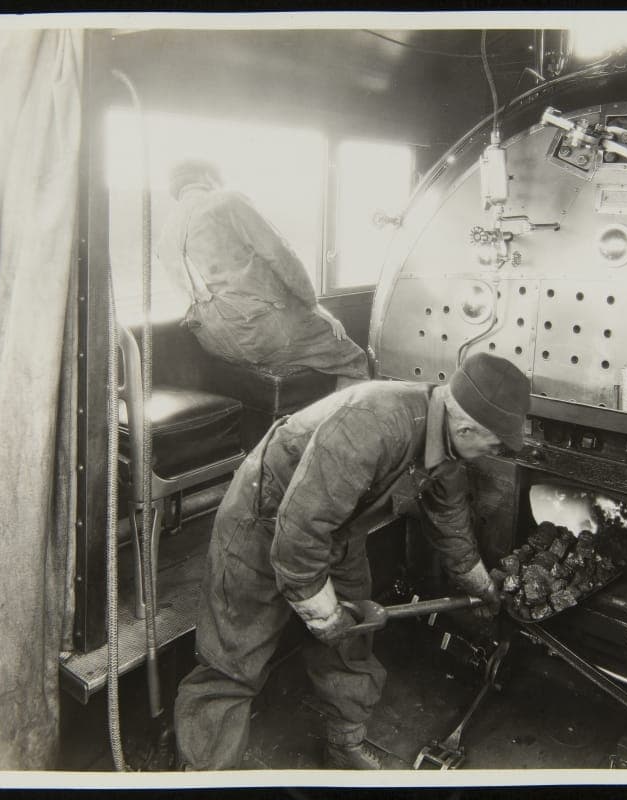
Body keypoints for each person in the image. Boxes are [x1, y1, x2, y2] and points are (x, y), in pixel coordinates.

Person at [174, 352, 532, 770]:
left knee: (353, 641)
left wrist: (479, 584)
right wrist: (324, 615)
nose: (495, 451)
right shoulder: (374, 424)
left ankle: (345, 744)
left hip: (336, 527)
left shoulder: (448, 437)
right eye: (495, 443)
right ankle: (205, 776)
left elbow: (449, 515)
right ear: (467, 425)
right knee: (232, 660)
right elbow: (299, 535)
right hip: (265, 517)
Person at [156, 158, 370, 386]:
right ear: (207, 177)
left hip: (213, 340)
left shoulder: (166, 233)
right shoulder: (226, 201)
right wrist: (313, 305)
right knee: (353, 359)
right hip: (259, 332)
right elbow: (280, 255)